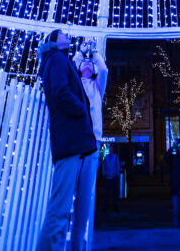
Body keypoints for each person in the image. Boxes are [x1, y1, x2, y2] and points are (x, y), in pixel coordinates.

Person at [35, 29, 96, 251]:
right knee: (60, 210)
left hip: (72, 142)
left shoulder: (59, 60)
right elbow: (60, 92)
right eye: (62, 33)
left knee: (63, 209)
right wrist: (81, 110)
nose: (67, 34)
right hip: (69, 142)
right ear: (54, 41)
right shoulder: (57, 59)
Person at [70, 40, 108, 248]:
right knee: (69, 191)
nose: (86, 64)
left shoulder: (97, 88)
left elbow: (103, 69)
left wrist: (93, 52)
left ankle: (78, 242)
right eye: (83, 63)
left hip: (92, 140)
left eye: (89, 64)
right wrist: (80, 51)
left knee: (84, 195)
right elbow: (71, 65)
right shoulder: (74, 84)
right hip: (75, 139)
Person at [101, 144, 120, 212]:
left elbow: (117, 166)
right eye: (110, 149)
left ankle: (115, 207)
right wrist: (103, 173)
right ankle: (105, 207)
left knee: (114, 194)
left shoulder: (115, 157)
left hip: (113, 178)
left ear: (113, 150)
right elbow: (104, 166)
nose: (110, 150)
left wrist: (117, 174)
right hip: (108, 178)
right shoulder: (106, 157)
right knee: (106, 194)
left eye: (111, 149)